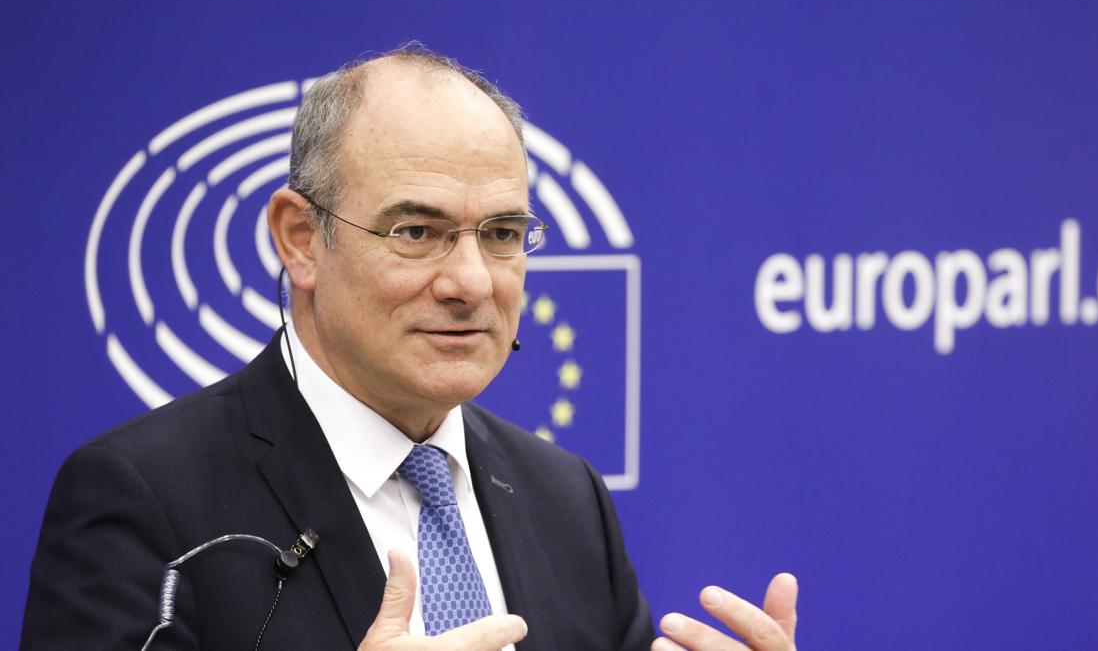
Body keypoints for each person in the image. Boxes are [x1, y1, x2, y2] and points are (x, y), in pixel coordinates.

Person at [21, 46, 798, 651]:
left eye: (502, 234)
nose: (471, 282)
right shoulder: (147, 500)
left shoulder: (567, 499)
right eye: (418, 231)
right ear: (301, 240)